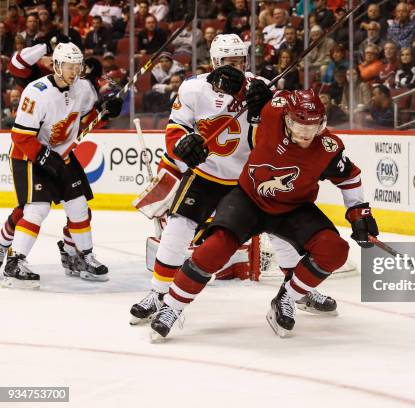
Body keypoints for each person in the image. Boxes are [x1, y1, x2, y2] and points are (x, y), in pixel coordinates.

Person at [129, 34, 338, 326]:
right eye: (229, 61)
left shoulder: (261, 87)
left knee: (279, 233)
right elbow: (176, 128)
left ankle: (298, 292)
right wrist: (184, 144)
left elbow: (281, 129)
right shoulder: (193, 89)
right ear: (215, 61)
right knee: (177, 227)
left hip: (250, 178)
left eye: (240, 61)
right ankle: (158, 292)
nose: (235, 66)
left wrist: (264, 109)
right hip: (206, 174)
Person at [149, 88, 379, 339]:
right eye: (299, 124)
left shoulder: (328, 147)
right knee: (213, 249)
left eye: (312, 126)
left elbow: (349, 176)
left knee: (335, 250)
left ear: (322, 124)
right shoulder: (271, 113)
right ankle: (171, 307)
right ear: (287, 118)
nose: (305, 133)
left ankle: (287, 298)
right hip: (248, 200)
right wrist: (264, 93)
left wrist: (359, 213)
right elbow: (268, 92)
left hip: (293, 208)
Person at [2, 43, 122, 289]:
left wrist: (104, 112)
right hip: (29, 156)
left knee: (79, 206)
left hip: (62, 155)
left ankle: (83, 257)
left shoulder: (84, 89)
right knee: (37, 209)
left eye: (77, 66)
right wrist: (44, 158)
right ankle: (15, 262)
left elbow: (83, 122)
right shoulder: (36, 92)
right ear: (56, 65)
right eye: (69, 66)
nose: (74, 71)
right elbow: (21, 136)